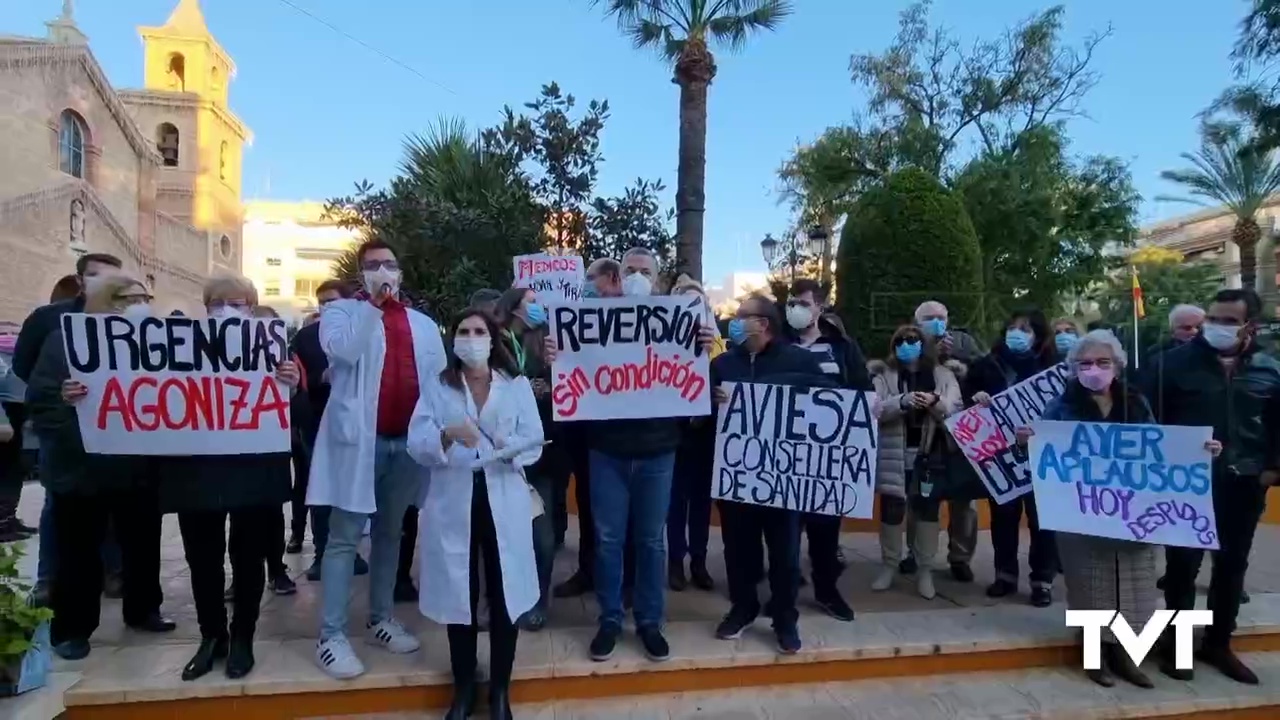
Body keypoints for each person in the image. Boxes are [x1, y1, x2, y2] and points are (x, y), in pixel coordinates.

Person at [1019, 329, 1223, 688]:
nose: (1093, 369)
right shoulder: (1061, 405)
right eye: (1085, 363)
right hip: (1082, 514)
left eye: (1102, 362)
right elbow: (1046, 452)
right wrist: (1030, 441)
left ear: (1118, 365)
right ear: (1073, 369)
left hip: (1132, 514)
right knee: (1090, 586)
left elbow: (1159, 445)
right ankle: (1095, 657)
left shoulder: (1136, 401)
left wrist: (1199, 451)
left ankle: (1127, 656)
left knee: (1132, 586)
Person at [544, 248, 715, 663]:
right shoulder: (591, 322)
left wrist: (703, 349)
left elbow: (692, 383)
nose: (636, 277)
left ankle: (650, 621)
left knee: (652, 540)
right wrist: (556, 355)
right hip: (607, 451)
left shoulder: (680, 322)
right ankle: (609, 619)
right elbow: (571, 378)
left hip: (658, 451)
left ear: (656, 281)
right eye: (629, 271)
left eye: (644, 271)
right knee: (607, 539)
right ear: (617, 278)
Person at [308, 239, 447, 679]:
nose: (383, 271)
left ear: (401, 272)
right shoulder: (340, 314)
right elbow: (344, 353)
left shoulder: (424, 324)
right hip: (359, 444)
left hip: (406, 444)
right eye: (373, 266)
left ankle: (380, 618)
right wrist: (372, 305)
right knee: (345, 537)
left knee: (391, 532)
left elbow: (439, 379)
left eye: (389, 264)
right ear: (361, 275)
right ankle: (330, 635)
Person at [152, 279, 299, 679]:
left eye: (238, 303)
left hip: (252, 468)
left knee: (248, 556)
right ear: (206, 307)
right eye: (218, 303)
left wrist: (291, 384)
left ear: (252, 308)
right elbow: (145, 393)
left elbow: (288, 409)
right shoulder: (177, 349)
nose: (228, 310)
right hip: (196, 467)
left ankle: (243, 637)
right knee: (202, 558)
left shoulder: (276, 348)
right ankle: (211, 636)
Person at [26, 274, 174, 660]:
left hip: (137, 466)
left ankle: (143, 609)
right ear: (110, 302)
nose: (143, 304)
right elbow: (40, 400)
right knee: (78, 552)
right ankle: (72, 628)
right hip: (82, 469)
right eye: (132, 298)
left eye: (146, 297)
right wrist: (64, 400)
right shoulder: (66, 342)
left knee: (142, 545)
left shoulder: (156, 344)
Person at [407, 308, 543, 720]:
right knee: (459, 597)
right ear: (454, 340)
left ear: (493, 337)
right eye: (463, 330)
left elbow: (534, 442)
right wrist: (447, 435)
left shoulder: (515, 386)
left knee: (506, 596)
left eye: (479, 330)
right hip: (454, 501)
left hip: (504, 498)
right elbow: (417, 442)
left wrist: (507, 444)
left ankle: (500, 690)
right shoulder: (438, 385)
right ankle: (463, 688)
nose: (470, 337)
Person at [1140, 288, 1280, 685]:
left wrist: (1271, 470)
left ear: (1251, 326)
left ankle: (1219, 644)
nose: (1216, 327)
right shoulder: (1171, 365)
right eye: (1212, 319)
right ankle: (1178, 648)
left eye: (1228, 321)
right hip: (1186, 486)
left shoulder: (1270, 369)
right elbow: (1147, 419)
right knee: (1182, 567)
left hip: (1245, 484)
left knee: (1232, 567)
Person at [711, 294, 830, 654]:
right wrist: (712, 401)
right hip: (737, 475)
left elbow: (829, 404)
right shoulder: (722, 365)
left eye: (742, 315)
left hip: (783, 478)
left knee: (785, 552)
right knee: (738, 549)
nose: (735, 320)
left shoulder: (801, 361)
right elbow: (700, 415)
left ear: (762, 323)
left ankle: (785, 617)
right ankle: (743, 607)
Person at [14, 254, 126, 603]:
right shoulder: (49, 320)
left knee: (111, 505)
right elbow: (25, 368)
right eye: (95, 277)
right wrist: (60, 396)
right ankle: (49, 579)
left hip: (115, 434)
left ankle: (113, 572)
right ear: (80, 280)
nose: (102, 285)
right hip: (63, 434)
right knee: (58, 505)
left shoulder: (129, 325)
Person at [783, 278, 870, 620]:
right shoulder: (778, 344)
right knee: (785, 529)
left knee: (824, 528)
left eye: (803, 303)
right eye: (791, 303)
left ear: (820, 307)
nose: (795, 309)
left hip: (827, 457)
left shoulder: (842, 348)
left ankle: (826, 591)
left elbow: (862, 388)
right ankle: (784, 592)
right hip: (785, 453)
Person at [550, 258, 636, 601]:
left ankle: (627, 581)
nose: (585, 285)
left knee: (628, 513)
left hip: (629, 434)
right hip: (585, 431)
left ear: (611, 279)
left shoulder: (642, 315)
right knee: (587, 504)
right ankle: (589, 570)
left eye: (590, 278)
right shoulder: (576, 317)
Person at [966, 307, 1060, 607]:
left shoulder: (1053, 368)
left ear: (1038, 336)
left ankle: (1042, 581)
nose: (1016, 334)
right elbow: (967, 398)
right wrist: (975, 398)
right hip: (1000, 455)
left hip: (1042, 455)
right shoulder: (987, 364)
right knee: (1003, 518)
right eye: (1012, 327)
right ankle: (1004, 575)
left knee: (1042, 521)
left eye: (1025, 329)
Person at [868, 325, 962, 599]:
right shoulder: (883, 375)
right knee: (892, 511)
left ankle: (925, 571)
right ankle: (889, 565)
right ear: (894, 346)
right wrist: (903, 401)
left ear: (924, 344)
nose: (907, 344)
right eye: (901, 340)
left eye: (913, 340)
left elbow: (955, 408)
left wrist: (934, 401)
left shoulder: (943, 374)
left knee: (926, 512)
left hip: (930, 454)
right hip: (893, 453)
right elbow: (876, 409)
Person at [289, 280, 370, 581]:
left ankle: (352, 550)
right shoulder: (306, 336)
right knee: (320, 490)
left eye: (333, 301)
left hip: (359, 422)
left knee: (353, 489)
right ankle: (322, 552)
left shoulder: (366, 329)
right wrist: (322, 376)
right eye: (321, 302)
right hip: (318, 420)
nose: (326, 307)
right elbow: (298, 377)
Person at [904, 300, 981, 582]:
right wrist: (928, 356)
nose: (936, 322)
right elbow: (901, 378)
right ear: (916, 320)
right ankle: (916, 553)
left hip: (962, 436)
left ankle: (960, 558)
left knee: (964, 504)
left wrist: (960, 358)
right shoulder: (908, 342)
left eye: (941, 317)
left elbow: (984, 373)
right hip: (923, 435)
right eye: (929, 317)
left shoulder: (964, 342)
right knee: (920, 500)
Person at [496, 286, 558, 631]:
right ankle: (501, 601)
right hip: (501, 456)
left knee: (542, 538)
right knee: (501, 537)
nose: (538, 308)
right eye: (532, 302)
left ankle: (537, 601)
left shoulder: (543, 342)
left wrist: (552, 369)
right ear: (514, 306)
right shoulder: (492, 342)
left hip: (539, 456)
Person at [667, 275, 725, 592]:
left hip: (706, 437)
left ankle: (699, 562)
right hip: (675, 437)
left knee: (701, 504)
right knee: (675, 503)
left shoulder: (719, 347)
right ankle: (675, 562)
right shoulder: (663, 345)